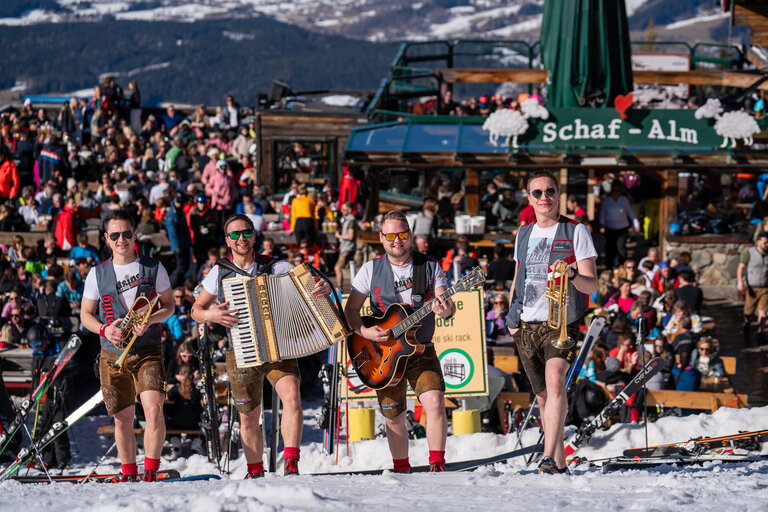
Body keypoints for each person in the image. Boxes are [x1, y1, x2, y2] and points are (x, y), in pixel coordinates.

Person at [191, 214, 332, 478]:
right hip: (241, 348)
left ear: (255, 236)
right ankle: (254, 470)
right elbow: (195, 310)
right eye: (235, 234)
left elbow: (310, 286)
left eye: (246, 232)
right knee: (248, 415)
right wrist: (212, 315)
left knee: (292, 395)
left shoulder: (277, 267)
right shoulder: (219, 272)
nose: (241, 238)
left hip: (279, 345)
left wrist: (321, 285)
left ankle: (291, 463)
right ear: (227, 240)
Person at [344, 210, 455, 473]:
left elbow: (446, 304)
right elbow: (350, 311)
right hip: (383, 352)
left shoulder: (428, 265)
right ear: (381, 238)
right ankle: (401, 468)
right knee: (393, 417)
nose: (397, 241)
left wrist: (445, 308)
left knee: (435, 402)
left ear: (410, 236)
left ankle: (437, 464)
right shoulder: (369, 269)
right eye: (391, 235)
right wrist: (367, 333)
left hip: (420, 349)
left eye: (402, 235)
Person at [505, 170, 598, 475]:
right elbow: (518, 276)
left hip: (560, 321)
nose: (544, 198)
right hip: (526, 322)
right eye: (537, 193)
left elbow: (591, 285)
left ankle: (546, 457)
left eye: (550, 192)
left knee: (556, 383)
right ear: (529, 198)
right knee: (543, 396)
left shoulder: (576, 231)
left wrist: (571, 274)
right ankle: (558, 462)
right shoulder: (523, 233)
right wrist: (511, 317)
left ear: (559, 195)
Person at [80, 210, 175, 482]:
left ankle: (150, 472)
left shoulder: (154, 267)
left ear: (135, 235)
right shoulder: (96, 274)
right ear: (107, 240)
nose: (121, 239)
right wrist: (104, 328)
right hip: (112, 353)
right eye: (115, 235)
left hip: (148, 349)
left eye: (126, 234)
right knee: (122, 419)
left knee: (154, 411)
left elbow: (169, 306)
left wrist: (150, 318)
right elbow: (86, 315)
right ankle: (129, 474)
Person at [599, 179, 640, 268]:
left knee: (621, 249)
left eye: (617, 191)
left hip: (622, 228)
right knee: (610, 248)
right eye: (614, 190)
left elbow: (630, 212)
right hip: (610, 228)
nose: (615, 193)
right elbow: (602, 213)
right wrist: (602, 224)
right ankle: (609, 267)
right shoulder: (607, 200)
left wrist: (636, 223)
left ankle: (622, 267)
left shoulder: (624, 200)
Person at [737, 231, 768, 336]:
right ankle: (747, 324)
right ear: (758, 243)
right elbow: (741, 267)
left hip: (765, 287)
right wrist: (740, 282)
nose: (767, 245)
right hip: (751, 288)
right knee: (748, 311)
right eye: (765, 243)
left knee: (763, 312)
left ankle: (761, 332)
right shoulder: (749, 253)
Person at [334, 201, 357, 291]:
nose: (342, 211)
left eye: (344, 209)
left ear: (350, 210)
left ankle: (339, 288)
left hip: (348, 248)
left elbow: (350, 236)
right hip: (346, 247)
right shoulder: (346, 219)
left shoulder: (351, 220)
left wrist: (339, 236)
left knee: (337, 267)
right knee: (350, 268)